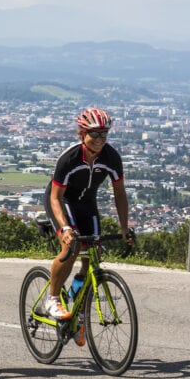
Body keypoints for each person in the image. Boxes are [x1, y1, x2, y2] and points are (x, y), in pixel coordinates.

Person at [42, 108, 134, 342]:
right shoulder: (70, 158)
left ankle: (77, 299)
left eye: (104, 134)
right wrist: (65, 228)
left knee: (93, 254)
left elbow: (120, 194)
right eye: (95, 134)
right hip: (61, 201)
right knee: (71, 247)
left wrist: (124, 228)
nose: (100, 139)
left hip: (86, 203)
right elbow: (55, 197)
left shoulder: (111, 158)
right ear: (82, 134)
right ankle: (52, 298)